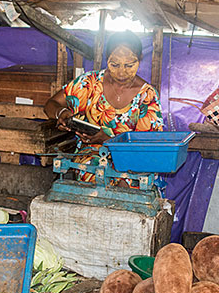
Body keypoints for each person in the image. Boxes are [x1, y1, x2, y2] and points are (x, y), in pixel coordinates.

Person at [44, 31, 164, 182]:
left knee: (129, 183)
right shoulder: (90, 83)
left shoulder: (147, 96)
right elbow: (51, 104)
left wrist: (107, 139)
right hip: (92, 156)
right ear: (107, 60)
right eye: (114, 64)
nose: (121, 72)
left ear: (140, 59)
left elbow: (146, 149)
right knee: (96, 174)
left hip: (132, 161)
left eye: (129, 65)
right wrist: (62, 113)